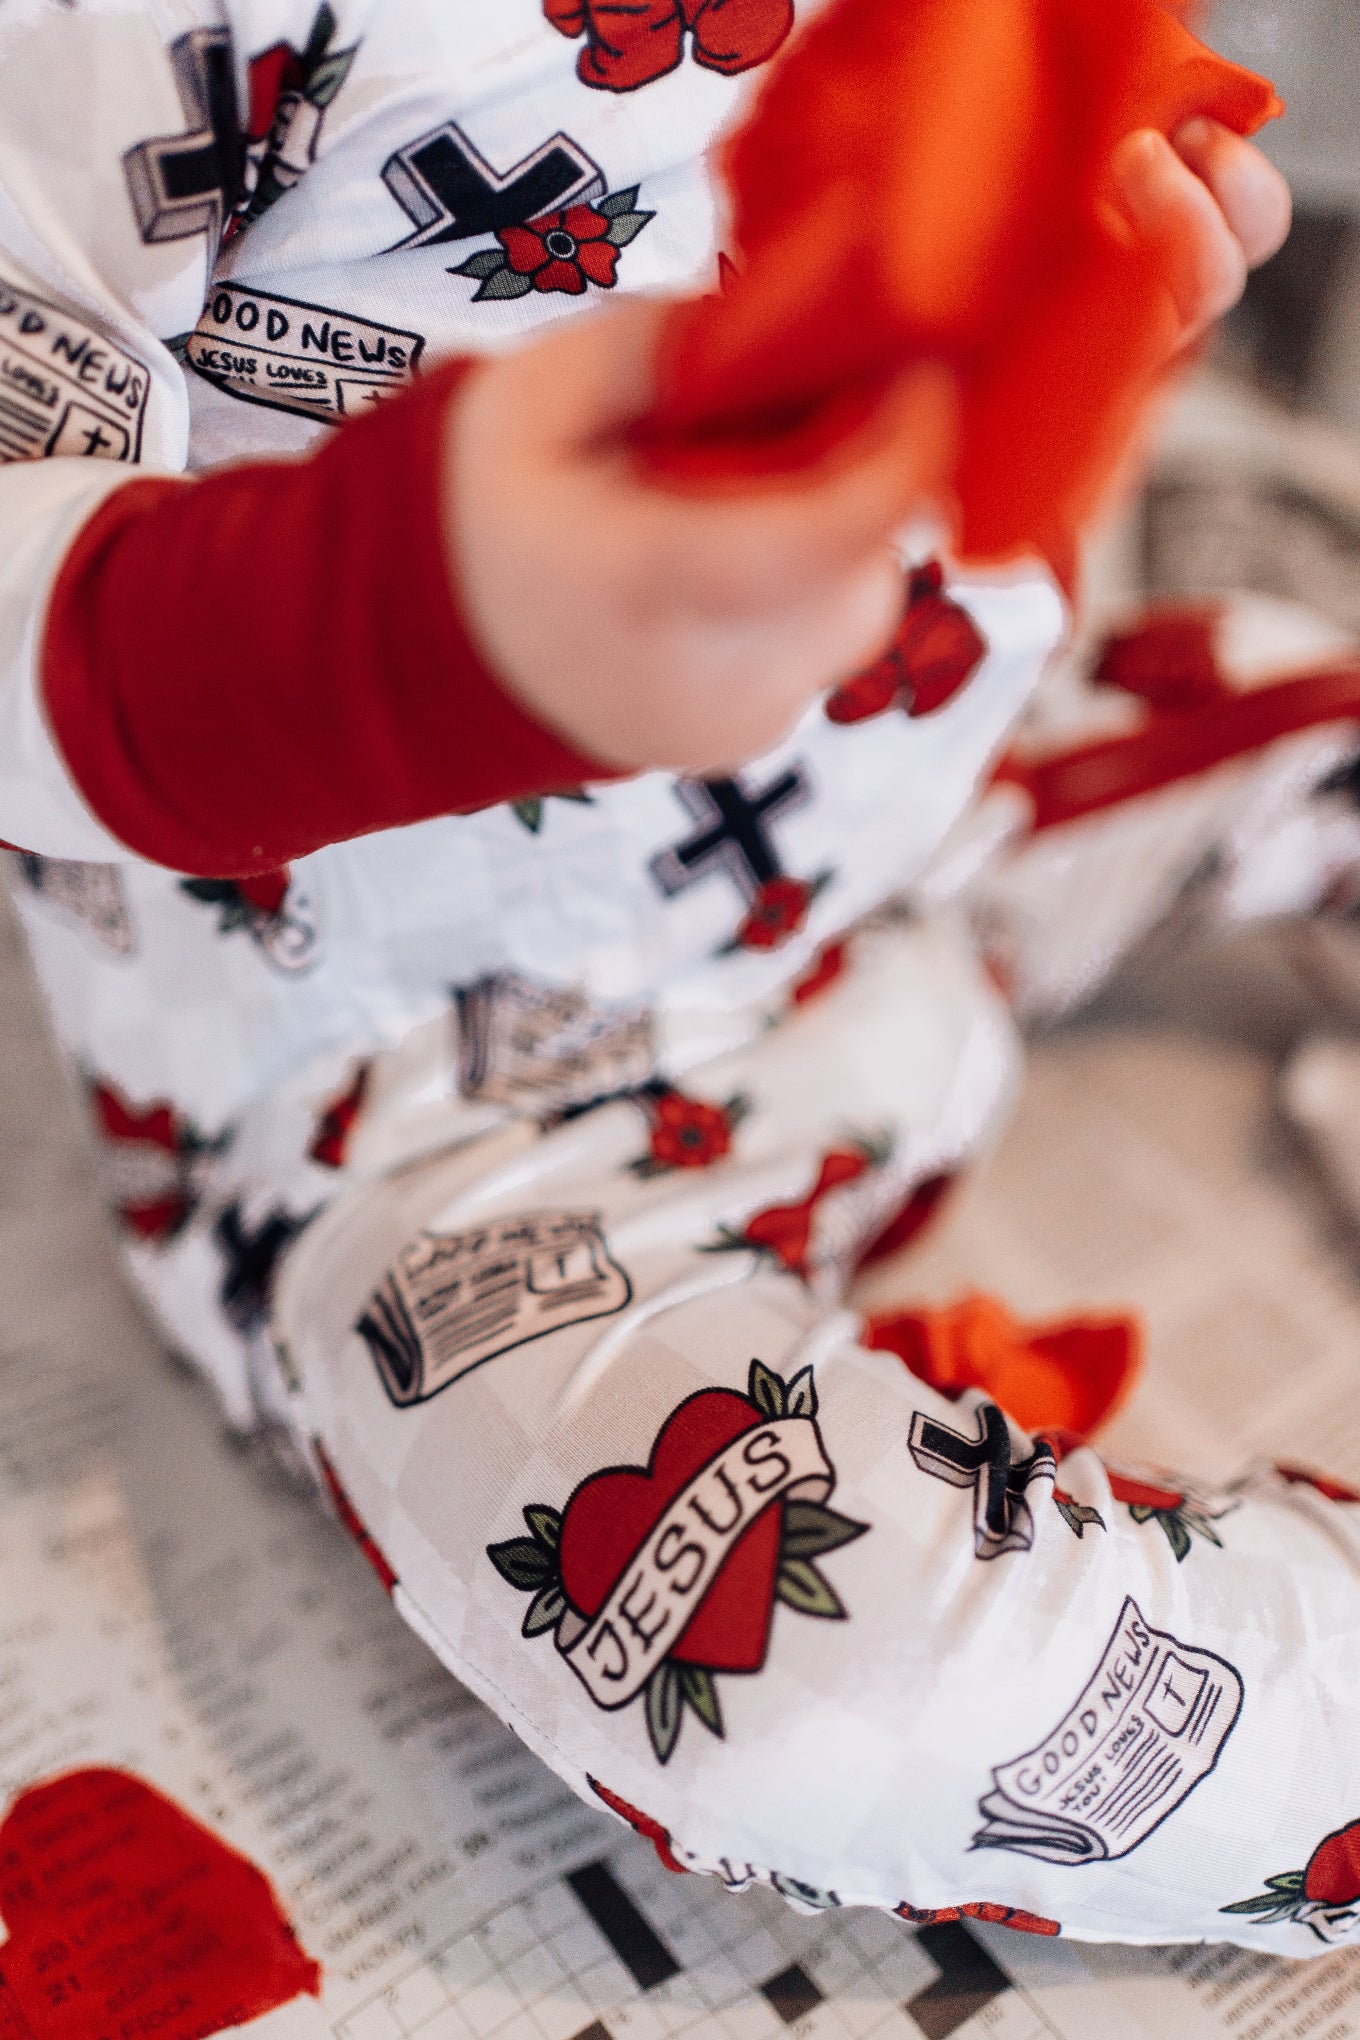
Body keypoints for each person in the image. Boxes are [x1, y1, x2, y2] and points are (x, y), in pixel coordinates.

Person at [13, 0, 1357, 1956]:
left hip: (937, 811)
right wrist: (430, 615)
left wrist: (1105, 248)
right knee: (811, 1698)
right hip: (427, 1130)